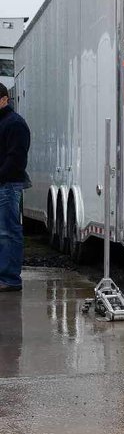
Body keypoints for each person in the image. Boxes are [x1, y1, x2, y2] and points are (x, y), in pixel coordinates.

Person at [0, 83, 30, 292]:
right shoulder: (4, 122)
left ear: (4, 99)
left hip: (8, 186)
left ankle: (10, 279)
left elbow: (16, 158)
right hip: (4, 185)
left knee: (8, 231)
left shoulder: (14, 123)